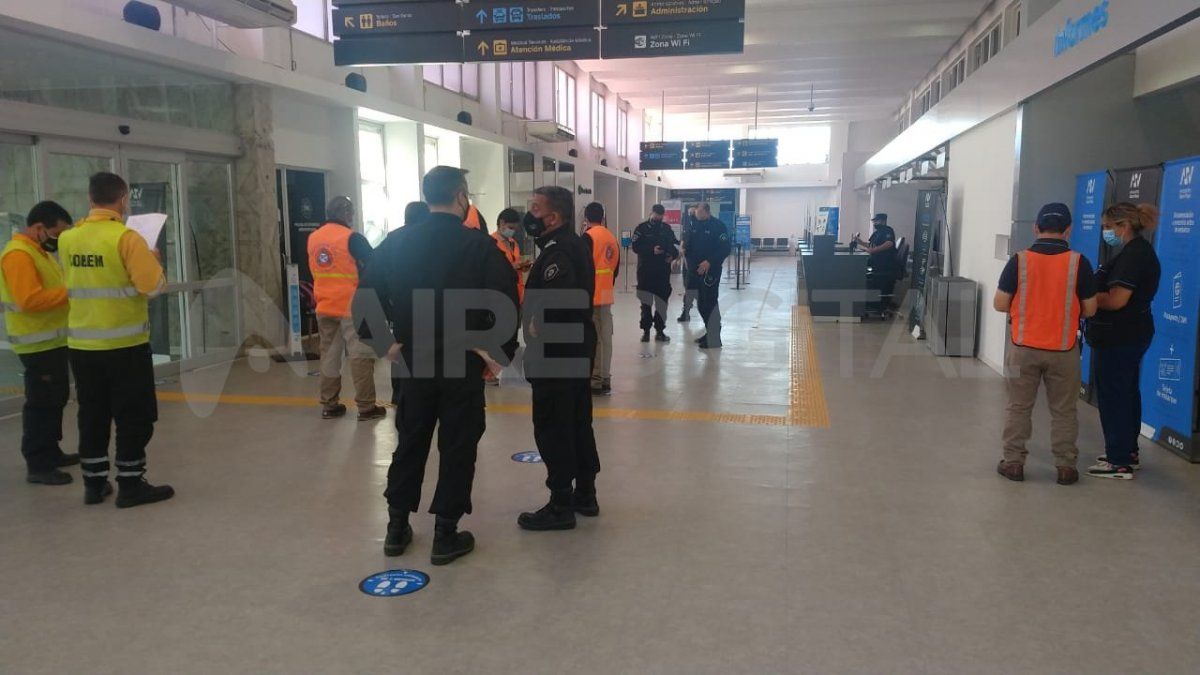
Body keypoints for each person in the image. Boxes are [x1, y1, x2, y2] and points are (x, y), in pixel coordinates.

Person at [364, 166, 519, 565]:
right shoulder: (479, 246)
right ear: (462, 196)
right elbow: (505, 300)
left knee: (410, 440)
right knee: (458, 444)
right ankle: (445, 533)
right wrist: (494, 354)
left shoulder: (396, 242)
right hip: (461, 361)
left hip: (413, 360)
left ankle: (396, 528)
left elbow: (364, 294)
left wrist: (388, 343)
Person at [57, 172, 174, 507]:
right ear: (123, 200)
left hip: (81, 346)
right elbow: (151, 287)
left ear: (91, 198)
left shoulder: (68, 238)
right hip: (124, 347)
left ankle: (94, 485)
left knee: (91, 414)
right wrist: (154, 261)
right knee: (133, 415)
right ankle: (131, 483)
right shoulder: (127, 239)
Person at [993, 203, 1098, 485]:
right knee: (1064, 410)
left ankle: (1013, 463)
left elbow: (1000, 303)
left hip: (1023, 346)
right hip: (1064, 349)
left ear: (1036, 228)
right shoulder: (1079, 263)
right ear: (1068, 230)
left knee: (1019, 406)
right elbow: (1090, 309)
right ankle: (1066, 467)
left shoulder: (1019, 261)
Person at [518, 185, 600, 531]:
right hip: (574, 349)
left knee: (555, 425)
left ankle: (561, 503)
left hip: (558, 353)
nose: (529, 214)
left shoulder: (559, 253)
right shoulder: (571, 244)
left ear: (553, 217)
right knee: (578, 420)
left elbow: (559, 304)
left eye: (534, 208)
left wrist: (539, 329)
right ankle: (585, 493)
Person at [1, 201, 78, 485]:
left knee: (55, 398)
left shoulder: (38, 253)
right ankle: (38, 463)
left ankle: (52, 451)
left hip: (52, 341)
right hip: (36, 345)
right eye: (57, 234)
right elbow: (29, 299)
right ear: (38, 228)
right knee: (41, 403)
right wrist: (71, 292)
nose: (58, 241)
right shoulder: (19, 255)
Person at [1086, 202, 1161, 480]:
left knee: (1114, 395)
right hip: (1131, 333)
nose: (1105, 232)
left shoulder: (1133, 256)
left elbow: (1117, 300)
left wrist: (1088, 301)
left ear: (1123, 226)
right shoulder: (1136, 252)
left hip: (1120, 335)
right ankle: (1126, 451)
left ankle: (1118, 461)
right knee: (1127, 392)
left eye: (1108, 227)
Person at [307, 196, 385, 422]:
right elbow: (374, 264)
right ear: (347, 213)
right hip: (352, 306)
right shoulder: (352, 238)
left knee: (329, 356)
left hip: (324, 305)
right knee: (360, 356)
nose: (352, 216)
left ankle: (329, 405)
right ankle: (366, 407)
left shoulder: (313, 238)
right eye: (351, 212)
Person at [581, 202, 621, 395]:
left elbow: (581, 266)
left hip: (592, 294)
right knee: (606, 337)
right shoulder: (610, 237)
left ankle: (595, 380)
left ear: (586, 218)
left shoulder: (587, 237)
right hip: (606, 293)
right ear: (602, 217)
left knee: (594, 338)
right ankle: (605, 377)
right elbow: (616, 267)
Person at [633, 204, 679, 343]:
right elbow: (635, 247)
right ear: (651, 213)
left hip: (662, 273)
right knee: (646, 304)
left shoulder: (666, 229)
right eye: (656, 215)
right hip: (645, 272)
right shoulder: (641, 229)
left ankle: (660, 331)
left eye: (661, 215)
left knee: (661, 304)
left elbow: (674, 245)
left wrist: (673, 255)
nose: (658, 218)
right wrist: (651, 250)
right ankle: (646, 332)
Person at [688, 203, 731, 349]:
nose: (696, 214)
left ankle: (715, 337)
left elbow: (725, 249)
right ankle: (709, 332)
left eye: (699, 212)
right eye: (695, 212)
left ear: (706, 211)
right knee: (700, 303)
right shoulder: (695, 225)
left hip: (710, 271)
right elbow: (690, 246)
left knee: (710, 303)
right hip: (695, 271)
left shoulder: (718, 226)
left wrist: (710, 262)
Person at [852, 214, 898, 316]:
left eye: (876, 221)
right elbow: (871, 245)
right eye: (874, 221)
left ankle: (874, 304)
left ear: (883, 221)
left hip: (884, 266)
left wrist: (874, 250)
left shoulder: (888, 231)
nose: (874, 223)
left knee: (864, 277)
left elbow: (889, 243)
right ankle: (867, 303)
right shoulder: (877, 233)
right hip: (876, 263)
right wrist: (860, 242)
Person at [492, 208, 530, 303]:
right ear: (502, 223)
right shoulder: (491, 243)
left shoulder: (514, 243)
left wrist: (522, 266)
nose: (512, 232)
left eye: (515, 229)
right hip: (502, 295)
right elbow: (491, 271)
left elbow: (516, 262)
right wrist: (511, 267)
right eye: (511, 228)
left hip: (518, 293)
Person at [678, 206, 698, 322]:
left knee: (699, 291)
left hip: (697, 264)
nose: (690, 215)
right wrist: (679, 256)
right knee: (688, 288)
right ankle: (686, 312)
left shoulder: (699, 227)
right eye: (689, 213)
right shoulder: (687, 227)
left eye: (693, 213)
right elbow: (683, 242)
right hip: (687, 264)